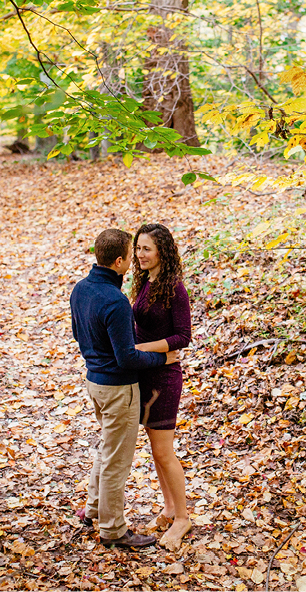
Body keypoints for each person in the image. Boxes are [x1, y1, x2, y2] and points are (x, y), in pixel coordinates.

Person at [70, 228, 178, 550]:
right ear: (118, 261)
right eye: (130, 256)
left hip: (94, 383)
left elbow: (79, 336)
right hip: (118, 389)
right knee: (117, 460)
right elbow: (128, 358)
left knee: (106, 448)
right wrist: (161, 359)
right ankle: (113, 530)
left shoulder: (80, 289)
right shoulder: (116, 301)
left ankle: (93, 509)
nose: (134, 260)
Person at [130, 223, 193, 549]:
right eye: (138, 248)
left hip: (166, 378)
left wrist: (142, 350)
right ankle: (169, 508)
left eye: (146, 249)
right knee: (156, 450)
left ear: (161, 252)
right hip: (146, 375)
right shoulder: (145, 282)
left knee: (165, 452)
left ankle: (182, 518)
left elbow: (183, 337)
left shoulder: (175, 289)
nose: (140, 254)